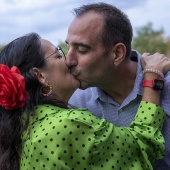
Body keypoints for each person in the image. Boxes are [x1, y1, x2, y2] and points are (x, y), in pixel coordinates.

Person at [0, 33, 168, 170]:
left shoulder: (23, 124)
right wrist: (152, 76)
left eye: (80, 49)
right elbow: (143, 147)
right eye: (59, 54)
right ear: (40, 76)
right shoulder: (67, 125)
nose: (69, 61)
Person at [66, 2, 170, 170]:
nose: (68, 61)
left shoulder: (167, 85)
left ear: (117, 53)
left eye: (82, 50)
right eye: (68, 47)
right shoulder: (77, 103)